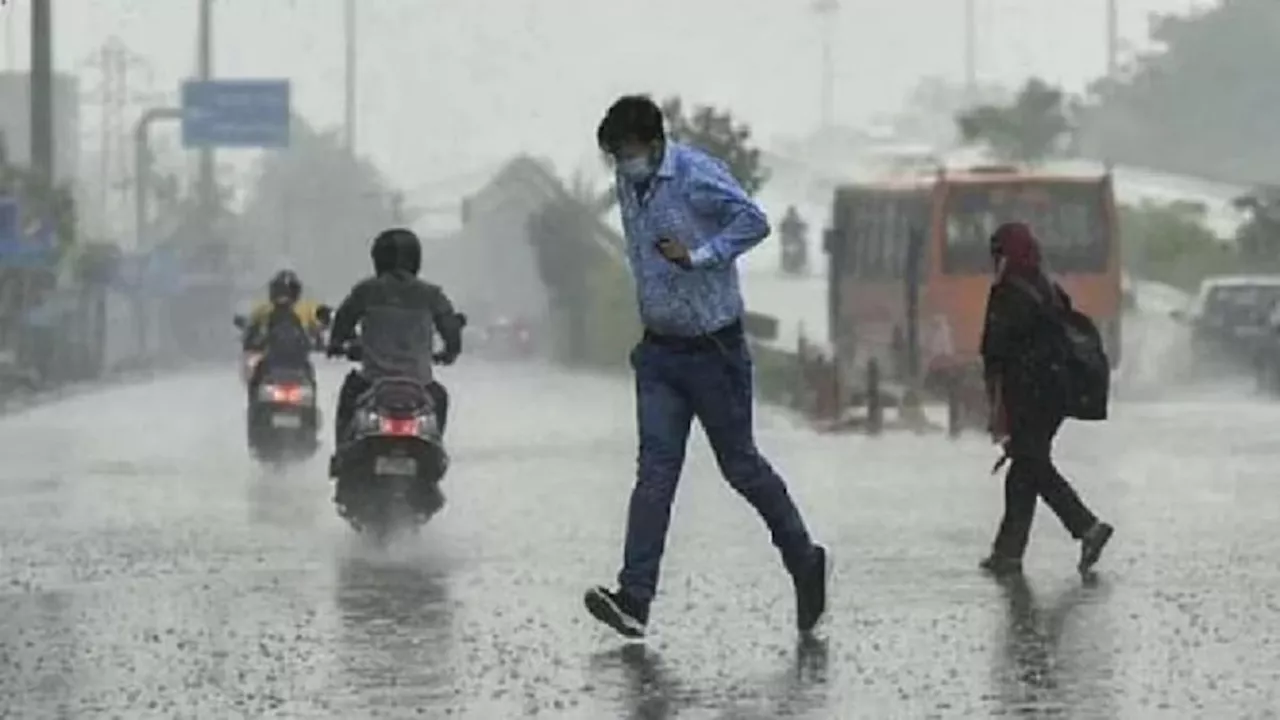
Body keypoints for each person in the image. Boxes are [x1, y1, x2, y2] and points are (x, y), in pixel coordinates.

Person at [583, 94, 828, 640]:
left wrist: (700, 256)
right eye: (614, 156)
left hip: (714, 350)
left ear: (653, 143)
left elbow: (755, 222)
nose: (623, 165)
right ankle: (635, 598)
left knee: (741, 468)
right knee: (654, 474)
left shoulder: (695, 174)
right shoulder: (628, 183)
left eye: (627, 152)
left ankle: (805, 561)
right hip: (660, 354)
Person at [979, 222, 1114, 576]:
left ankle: (1087, 526)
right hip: (1056, 393)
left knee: (1032, 464)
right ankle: (1007, 553)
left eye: (997, 253)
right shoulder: (1045, 286)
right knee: (1024, 468)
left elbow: (994, 349)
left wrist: (994, 400)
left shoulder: (1008, 291)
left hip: (1028, 393)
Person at [326, 228, 462, 456]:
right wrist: (450, 352)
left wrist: (336, 344)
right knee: (440, 398)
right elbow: (450, 329)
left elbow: (343, 320)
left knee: (349, 397)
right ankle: (434, 454)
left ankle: (341, 457)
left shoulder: (366, 291)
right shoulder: (432, 294)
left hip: (371, 383)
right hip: (420, 385)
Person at [243, 269, 323, 392]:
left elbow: (318, 329)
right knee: (256, 376)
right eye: (280, 292)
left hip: (297, 362)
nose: (283, 297)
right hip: (272, 361)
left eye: (288, 292)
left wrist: (320, 341)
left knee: (309, 376)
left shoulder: (308, 309)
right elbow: (251, 328)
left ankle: (311, 407)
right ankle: (254, 406)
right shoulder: (263, 310)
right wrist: (251, 340)